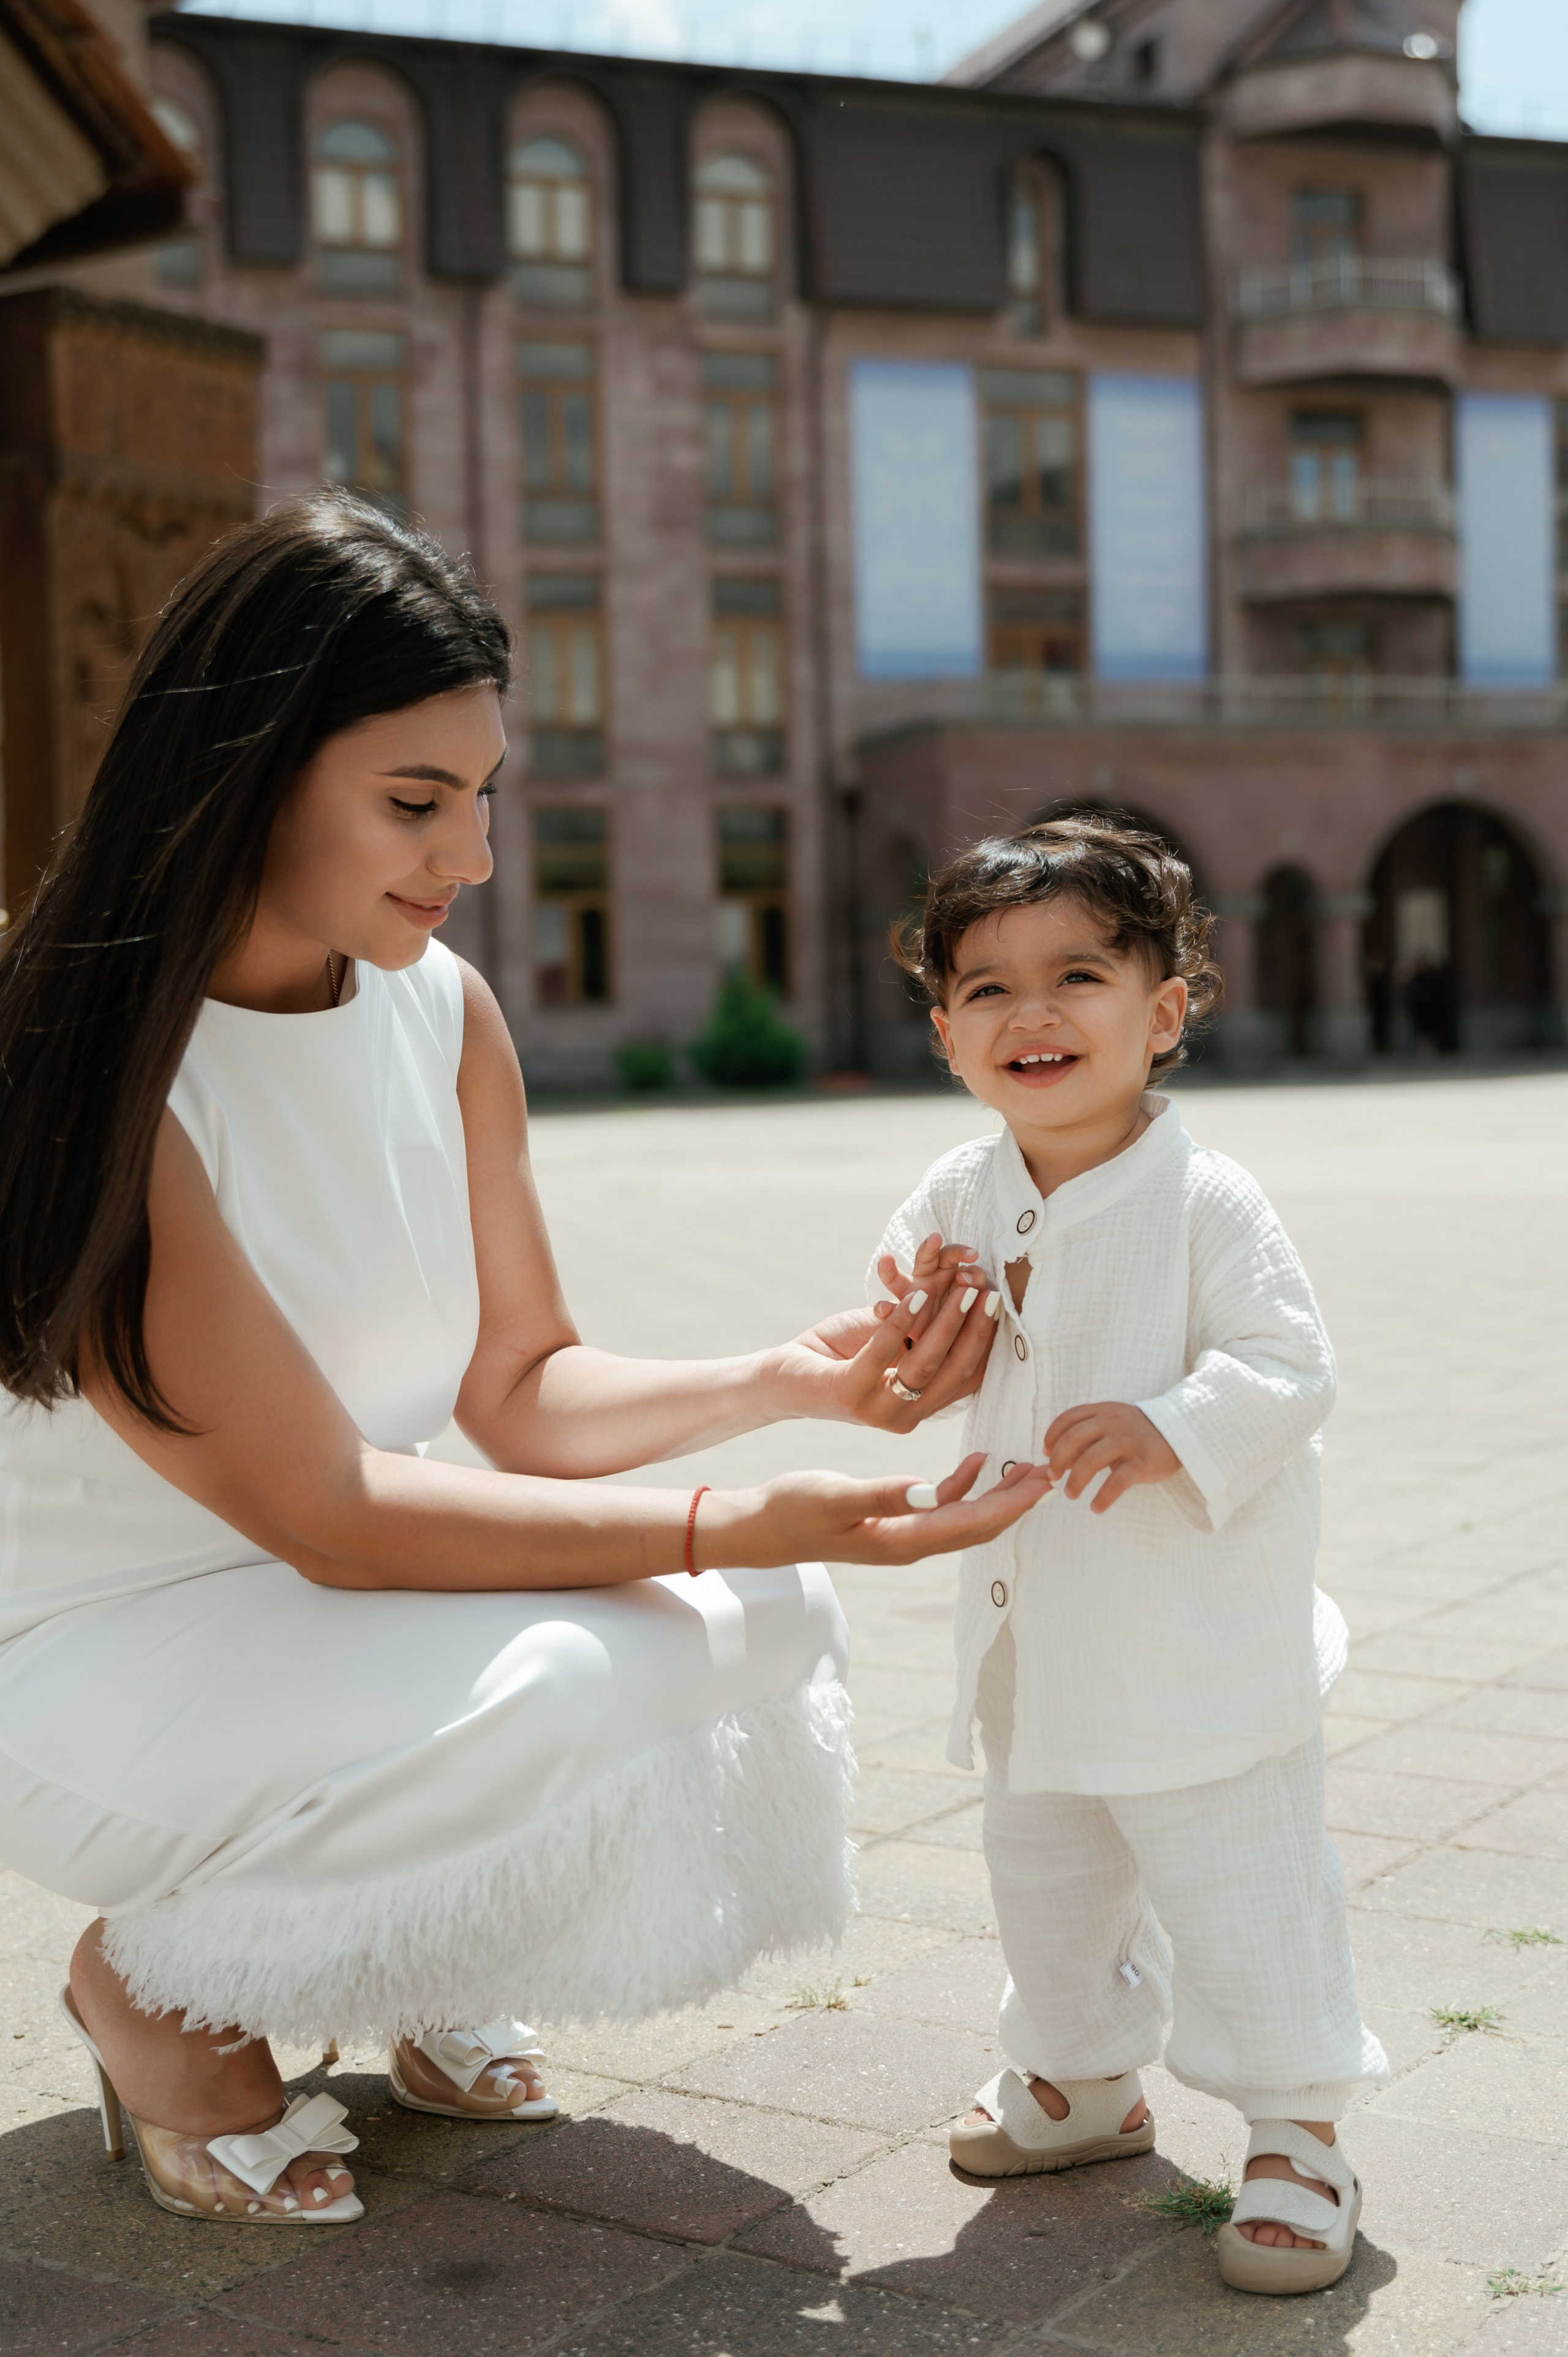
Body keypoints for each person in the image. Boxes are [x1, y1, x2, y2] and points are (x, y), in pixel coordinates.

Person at [0, 493, 1052, 2231]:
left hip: (339, 1600)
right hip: (98, 1655)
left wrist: (788, 1380)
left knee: (764, 1621)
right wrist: (739, 1514)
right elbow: (335, 1512)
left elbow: (519, 1391)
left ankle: (414, 1952)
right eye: (415, 804)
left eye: (479, 800)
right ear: (247, 767)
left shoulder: (442, 1011)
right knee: (589, 1667)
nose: (471, 858)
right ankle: (160, 1993)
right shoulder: (87, 1060)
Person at [869, 813, 1388, 2298]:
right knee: (1043, 1873)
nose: (1031, 1014)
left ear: (1161, 1015)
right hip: (1034, 1637)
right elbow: (897, 1324)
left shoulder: (1204, 1199)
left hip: (1192, 1640)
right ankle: (1080, 2075)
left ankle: (1295, 2124)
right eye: (985, 988)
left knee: (1242, 1885)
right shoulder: (957, 1190)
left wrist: (1177, 1423)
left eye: (1079, 975)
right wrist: (907, 1333)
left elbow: (1289, 1365)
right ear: (945, 1033)